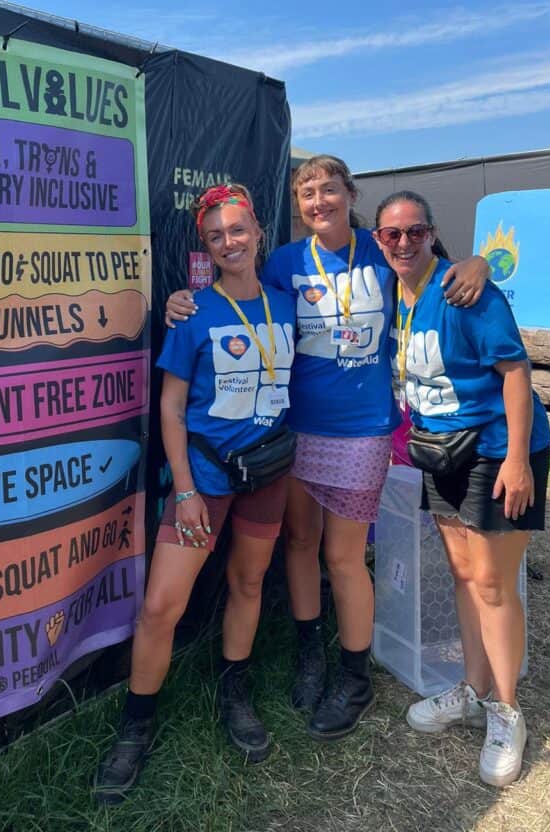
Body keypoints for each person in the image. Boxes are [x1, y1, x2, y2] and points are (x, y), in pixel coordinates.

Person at [167, 156, 489, 742]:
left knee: (343, 557)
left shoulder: (381, 250)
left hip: (362, 427)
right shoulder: (286, 262)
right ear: (297, 207)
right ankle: (309, 650)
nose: (320, 202)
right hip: (293, 427)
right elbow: (241, 304)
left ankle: (354, 676)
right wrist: (179, 302)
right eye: (308, 193)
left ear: (350, 194)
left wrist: (480, 262)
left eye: (329, 189)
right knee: (300, 542)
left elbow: (437, 266)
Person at [94, 184, 296, 804]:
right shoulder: (193, 313)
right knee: (161, 607)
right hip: (203, 480)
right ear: (205, 248)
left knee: (249, 584)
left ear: (258, 231)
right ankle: (136, 725)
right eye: (216, 236)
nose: (230, 242)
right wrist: (183, 490)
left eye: (237, 230)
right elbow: (171, 407)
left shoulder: (288, 305)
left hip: (267, 472)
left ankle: (235, 693)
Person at [372, 189, 550, 788]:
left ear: (431, 233)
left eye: (415, 231)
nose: (404, 242)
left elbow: (515, 370)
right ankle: (473, 690)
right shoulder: (393, 293)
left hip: (497, 450)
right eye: (392, 234)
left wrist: (519, 461)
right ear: (378, 241)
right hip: (441, 451)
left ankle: (507, 711)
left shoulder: (463, 290)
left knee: (494, 585)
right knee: (464, 576)